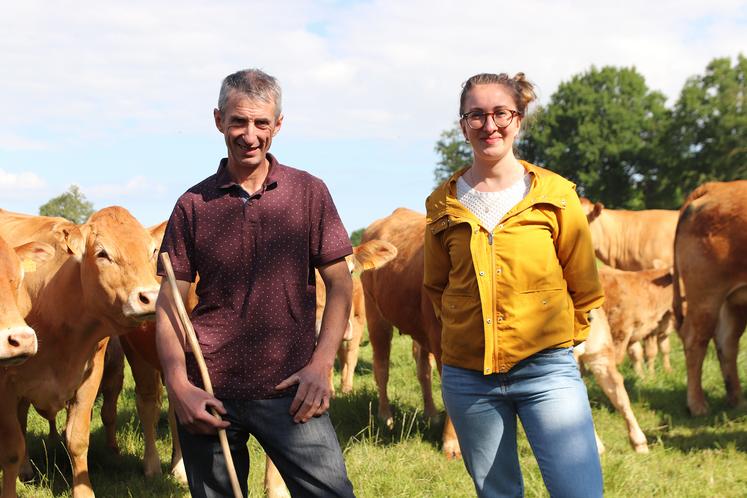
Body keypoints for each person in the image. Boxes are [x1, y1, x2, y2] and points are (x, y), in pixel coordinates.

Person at [155, 68, 356, 498]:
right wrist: (179, 388)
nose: (250, 134)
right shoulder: (192, 204)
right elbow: (170, 303)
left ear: (278, 125)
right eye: (238, 121)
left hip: (292, 387)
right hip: (209, 391)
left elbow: (340, 286)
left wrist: (322, 367)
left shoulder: (309, 192)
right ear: (218, 120)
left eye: (261, 123)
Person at [423, 72, 605, 498]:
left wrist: (559, 345)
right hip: (469, 379)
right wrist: (462, 344)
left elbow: (585, 285)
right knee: (498, 493)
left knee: (579, 492)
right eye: (477, 115)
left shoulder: (556, 194)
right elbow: (436, 288)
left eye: (501, 113)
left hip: (547, 371)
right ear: (463, 123)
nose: (490, 125)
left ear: (518, 120)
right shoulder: (441, 203)